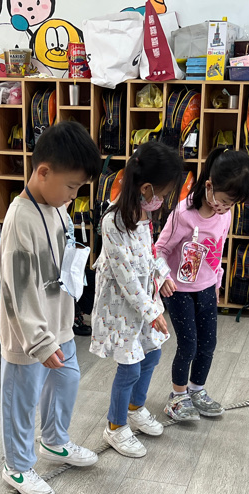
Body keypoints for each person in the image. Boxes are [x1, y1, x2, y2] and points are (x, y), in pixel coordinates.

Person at [0, 121, 101, 494]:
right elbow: (18, 290)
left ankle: (55, 441)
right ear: (43, 172)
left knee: (67, 381)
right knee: (21, 401)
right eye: (71, 186)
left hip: (60, 323)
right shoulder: (19, 219)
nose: (74, 195)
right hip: (28, 337)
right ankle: (16, 465)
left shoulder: (57, 208)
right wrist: (39, 341)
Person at [91, 141, 181, 458]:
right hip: (122, 308)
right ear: (146, 188)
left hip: (144, 303)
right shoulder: (112, 221)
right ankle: (115, 427)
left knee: (152, 354)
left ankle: (135, 408)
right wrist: (152, 311)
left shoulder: (143, 214)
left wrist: (162, 274)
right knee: (129, 367)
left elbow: (149, 253)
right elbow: (125, 277)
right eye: (162, 193)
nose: (162, 200)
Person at [155, 147, 249, 421]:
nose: (225, 208)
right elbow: (160, 249)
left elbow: (218, 250)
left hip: (207, 288)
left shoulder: (225, 215)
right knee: (188, 344)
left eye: (231, 204)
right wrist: (163, 277)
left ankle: (196, 390)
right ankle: (177, 397)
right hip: (178, 290)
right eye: (223, 201)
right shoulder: (183, 214)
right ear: (209, 186)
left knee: (208, 343)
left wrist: (217, 281)